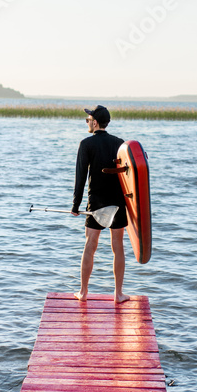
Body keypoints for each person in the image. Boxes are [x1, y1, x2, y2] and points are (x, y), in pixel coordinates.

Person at [72, 105, 130, 304]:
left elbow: (80, 177)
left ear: (95, 122)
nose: (87, 122)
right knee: (118, 247)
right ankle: (118, 294)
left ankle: (83, 292)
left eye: (88, 119)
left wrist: (75, 205)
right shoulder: (120, 144)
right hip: (118, 202)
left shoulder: (86, 144)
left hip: (96, 202)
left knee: (90, 246)